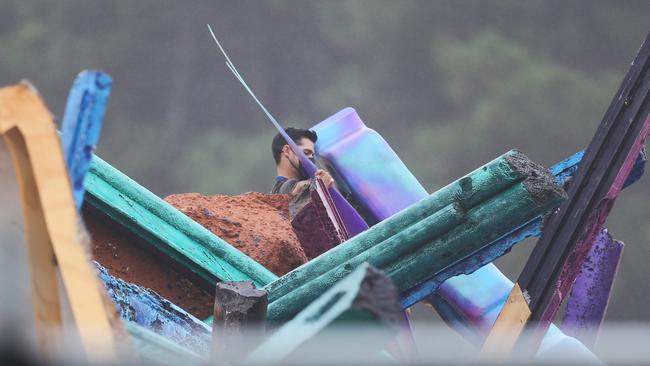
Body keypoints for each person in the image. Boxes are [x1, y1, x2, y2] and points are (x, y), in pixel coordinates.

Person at [271, 127, 335, 195]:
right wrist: (320, 183)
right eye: (306, 153)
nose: (311, 159)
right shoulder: (280, 192)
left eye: (312, 155)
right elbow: (296, 188)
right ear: (287, 151)